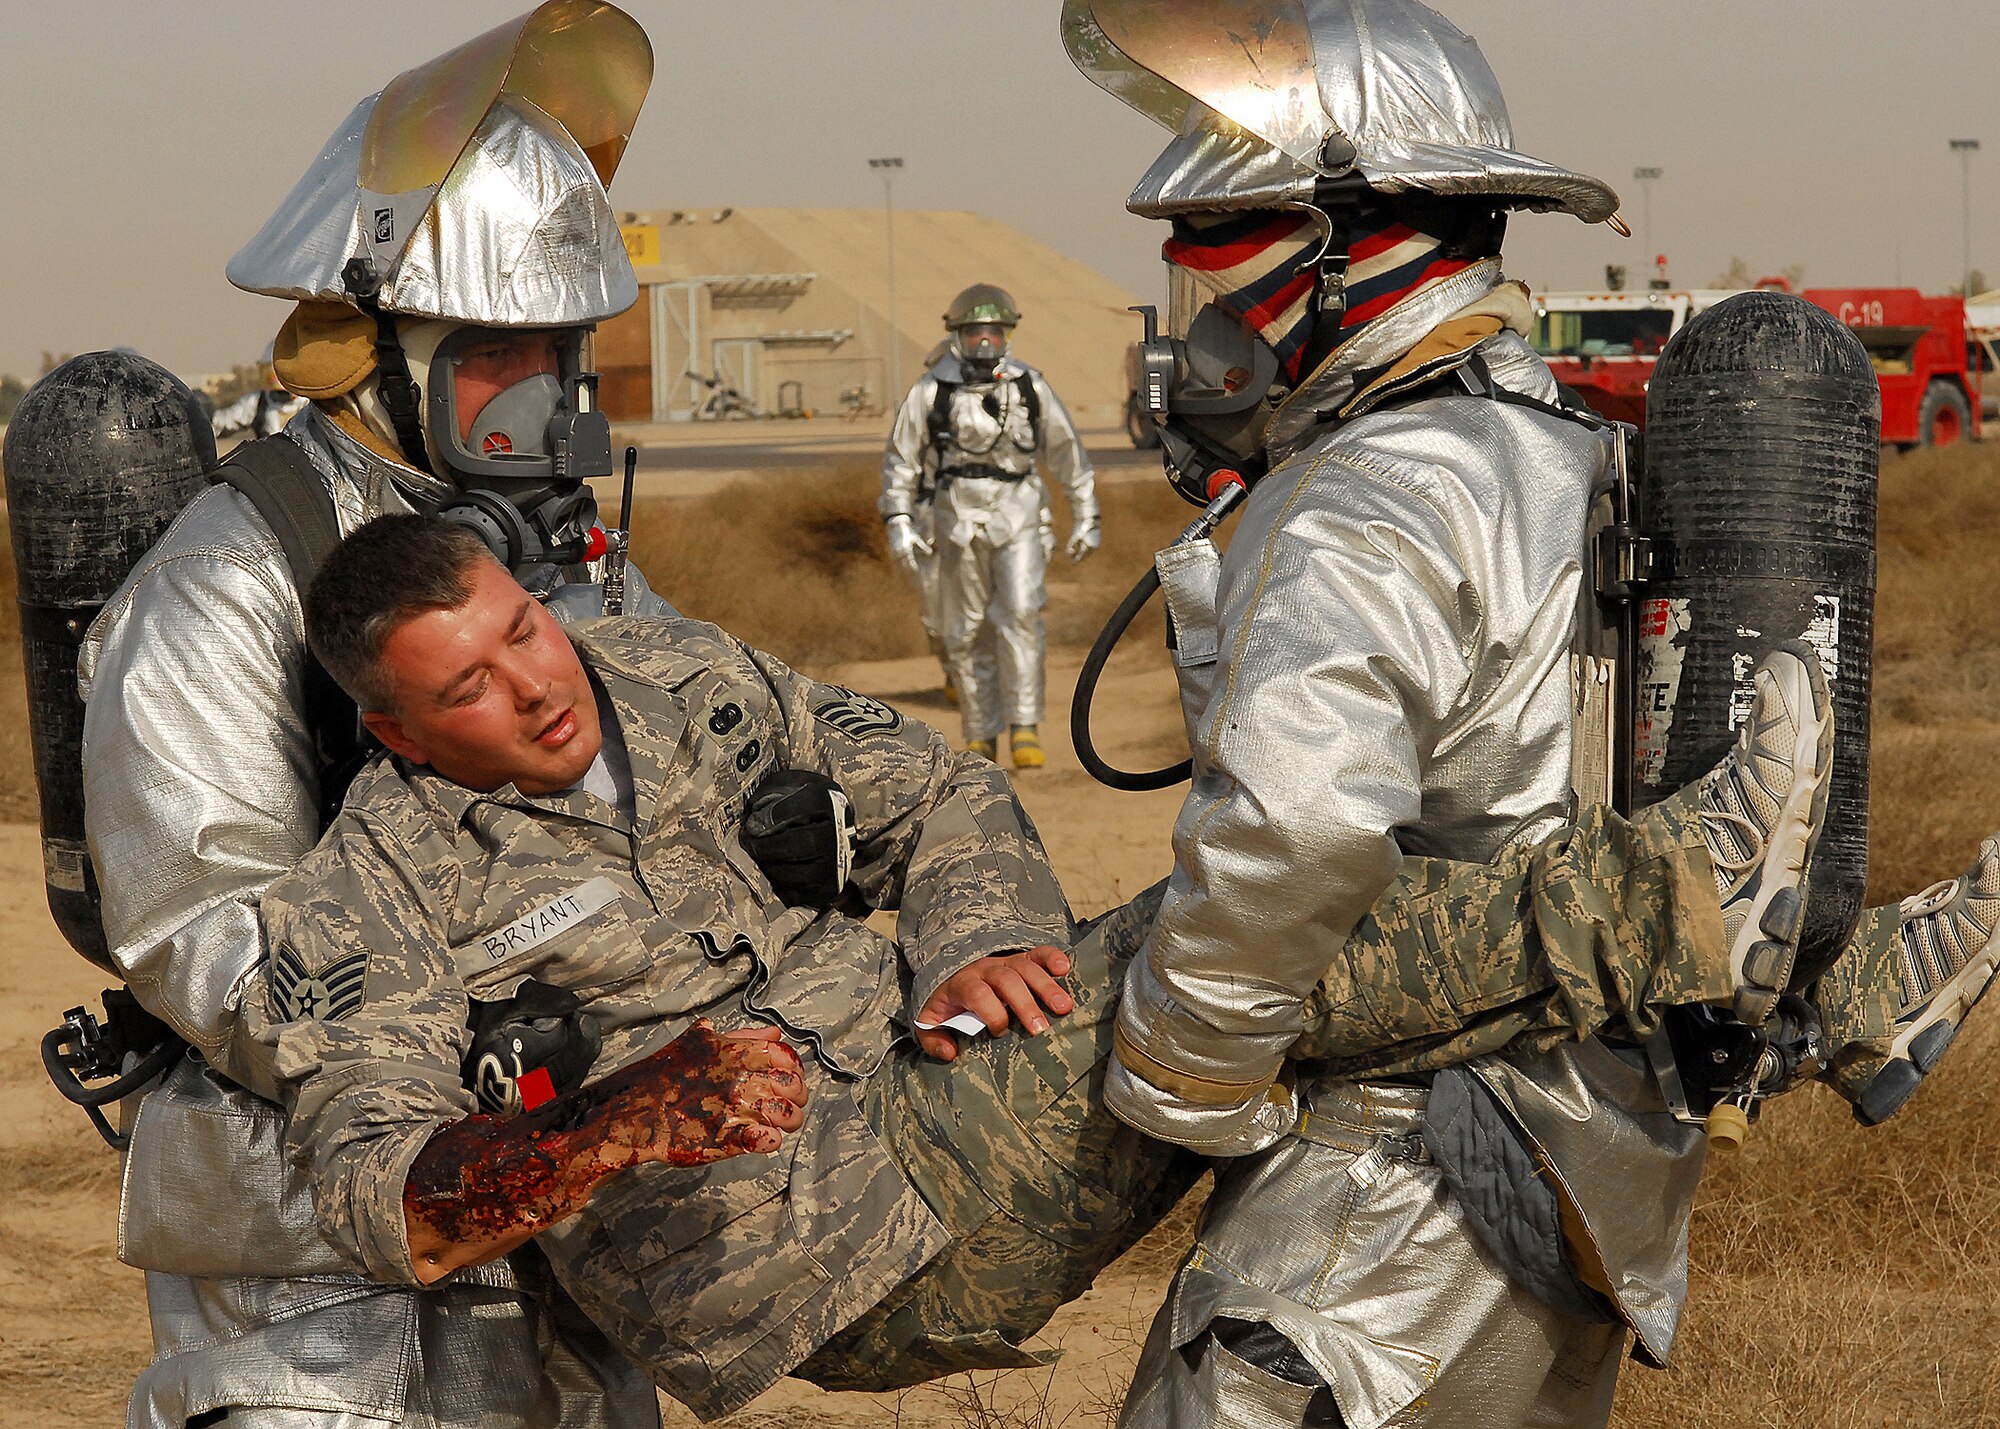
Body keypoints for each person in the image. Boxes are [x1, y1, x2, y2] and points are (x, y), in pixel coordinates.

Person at [1059, 2, 2000, 1424]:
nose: (1202, 307)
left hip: (1387, 1192)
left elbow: (1296, 832)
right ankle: (1848, 999)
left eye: (1223, 252)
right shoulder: (1560, 446)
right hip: (1591, 1163)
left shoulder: (1372, 494)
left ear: (1347, 246)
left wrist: (1177, 1082)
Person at [247, 514, 1205, 1422]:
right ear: (400, 734)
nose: (538, 685)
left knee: (1319, 1016)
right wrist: (614, 1122)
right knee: (1258, 915)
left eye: (526, 631)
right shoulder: (364, 891)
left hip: (944, 1075)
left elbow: (933, 789)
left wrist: (977, 942)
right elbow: (382, 1200)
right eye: (469, 689)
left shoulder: (681, 673)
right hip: (804, 1254)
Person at [77, 6, 671, 1425]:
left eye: (561, 360)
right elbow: (201, 924)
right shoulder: (229, 578)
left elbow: (666, 793)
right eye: (499, 363)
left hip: (555, 1211)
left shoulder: (566, 556)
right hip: (314, 1267)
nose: (548, 405)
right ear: (378, 358)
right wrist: (459, 1029)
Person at [881, 285, 1100, 768]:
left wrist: (1086, 513)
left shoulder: (1029, 387)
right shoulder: (930, 391)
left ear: (1008, 336)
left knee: (1021, 611)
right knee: (965, 628)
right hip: (954, 513)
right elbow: (902, 461)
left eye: (994, 333)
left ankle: (1025, 725)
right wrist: (898, 520)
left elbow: (1067, 453)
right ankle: (980, 731)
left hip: (1018, 508)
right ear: (957, 336)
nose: (985, 343)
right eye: (975, 333)